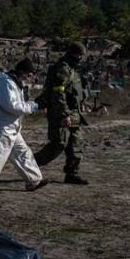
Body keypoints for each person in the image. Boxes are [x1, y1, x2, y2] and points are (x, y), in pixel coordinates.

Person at [0, 58, 47, 191]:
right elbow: (11, 106)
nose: (30, 78)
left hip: (12, 126)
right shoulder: (6, 83)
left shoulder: (16, 83)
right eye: (29, 75)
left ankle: (34, 180)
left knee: (23, 153)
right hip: (2, 125)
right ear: (23, 72)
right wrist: (34, 106)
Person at [34, 42, 89, 184]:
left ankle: (72, 173)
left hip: (74, 113)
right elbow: (58, 94)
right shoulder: (62, 69)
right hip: (61, 113)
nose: (81, 58)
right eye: (79, 55)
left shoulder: (74, 69)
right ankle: (29, 165)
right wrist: (64, 115)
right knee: (58, 144)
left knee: (76, 145)